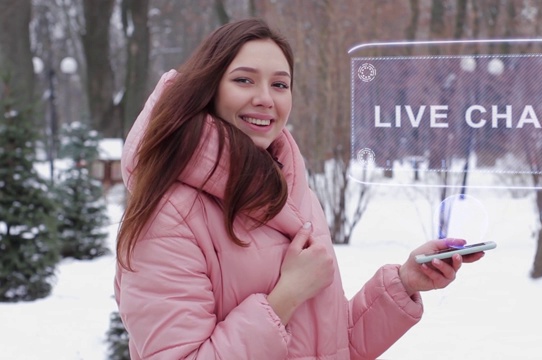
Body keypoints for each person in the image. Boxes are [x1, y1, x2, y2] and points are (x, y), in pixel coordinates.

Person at [114, 18, 485, 360]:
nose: (265, 98)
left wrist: (405, 282)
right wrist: (286, 296)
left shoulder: (291, 193)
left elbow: (332, 346)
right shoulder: (168, 217)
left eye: (279, 84)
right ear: (208, 89)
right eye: (244, 80)